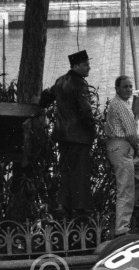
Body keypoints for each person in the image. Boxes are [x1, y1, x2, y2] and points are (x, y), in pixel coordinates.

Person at [39, 50, 95, 218]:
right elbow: (85, 111)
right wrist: (92, 131)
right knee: (80, 173)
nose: (89, 68)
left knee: (66, 172)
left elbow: (44, 100)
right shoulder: (80, 84)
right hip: (79, 136)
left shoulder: (60, 81)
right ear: (76, 66)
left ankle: (64, 206)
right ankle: (80, 209)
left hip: (62, 136)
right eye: (85, 65)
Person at [104, 75, 139, 237]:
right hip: (122, 147)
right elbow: (132, 134)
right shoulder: (121, 106)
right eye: (125, 87)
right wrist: (138, 150)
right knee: (125, 189)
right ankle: (122, 229)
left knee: (131, 182)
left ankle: (123, 223)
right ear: (117, 88)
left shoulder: (119, 103)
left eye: (131, 86)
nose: (129, 89)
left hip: (117, 147)